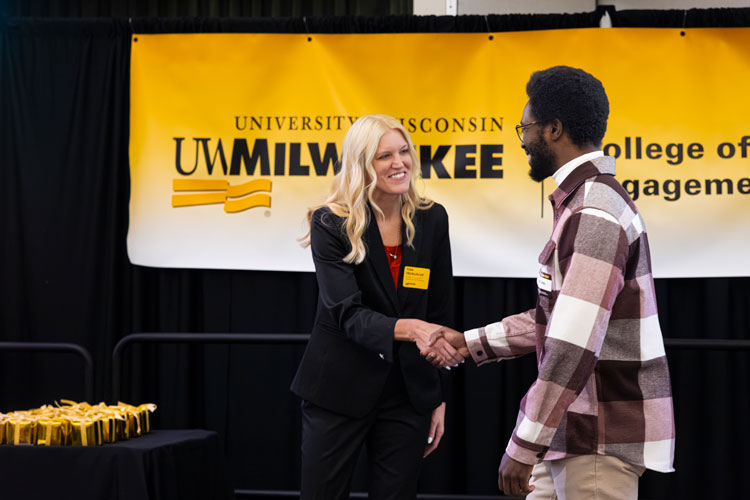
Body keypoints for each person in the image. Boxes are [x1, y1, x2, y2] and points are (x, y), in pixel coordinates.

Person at [425, 66, 675, 499]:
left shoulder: (594, 211)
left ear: (554, 129)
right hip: (570, 435)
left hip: (594, 440)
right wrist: (468, 341)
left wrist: (523, 445)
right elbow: (559, 318)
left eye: (525, 128)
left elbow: (571, 344)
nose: (522, 140)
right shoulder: (582, 202)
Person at [290, 114, 462, 500]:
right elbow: (346, 315)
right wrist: (412, 329)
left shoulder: (432, 218)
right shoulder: (331, 222)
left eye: (404, 152)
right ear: (361, 164)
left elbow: (440, 315)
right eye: (384, 156)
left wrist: (437, 396)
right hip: (339, 389)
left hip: (408, 395)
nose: (398, 163)